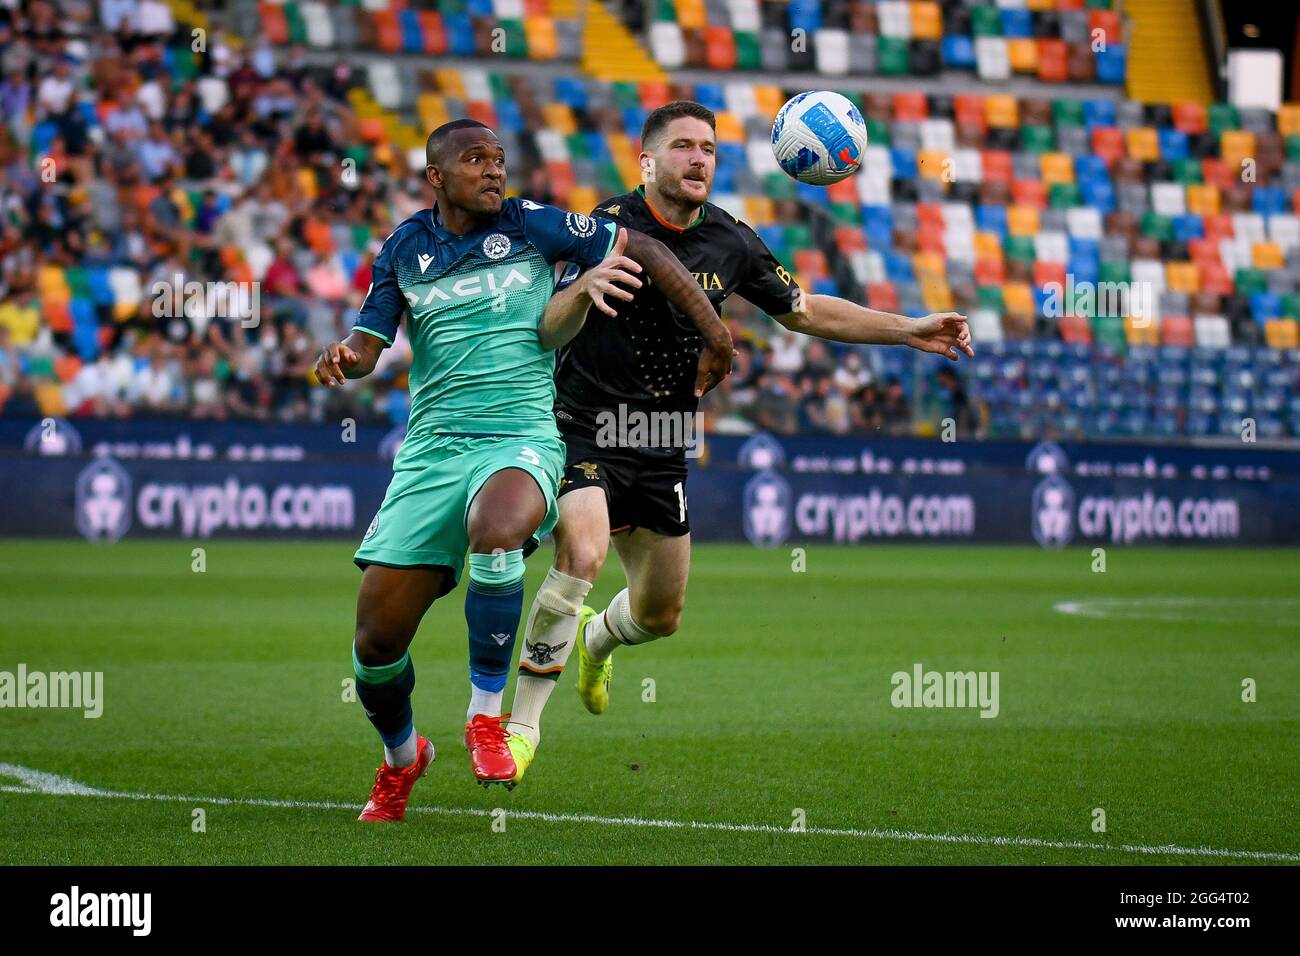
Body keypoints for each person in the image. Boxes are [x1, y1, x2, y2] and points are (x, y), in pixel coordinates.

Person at [499, 101, 974, 785]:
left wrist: (908, 328)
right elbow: (543, 325)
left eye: (710, 150)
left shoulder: (732, 241)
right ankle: (521, 729)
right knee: (583, 550)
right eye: (684, 146)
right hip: (584, 425)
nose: (698, 159)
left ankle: (596, 638)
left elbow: (805, 310)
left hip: (663, 442)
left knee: (662, 616)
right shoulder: (600, 227)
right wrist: (582, 293)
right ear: (648, 161)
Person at [312, 118, 732, 819]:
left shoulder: (536, 224)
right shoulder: (404, 247)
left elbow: (651, 249)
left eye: (500, 159)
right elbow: (368, 340)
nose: (494, 171)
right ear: (436, 177)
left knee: (500, 530)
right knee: (375, 648)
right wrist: (344, 359)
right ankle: (402, 758)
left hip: (521, 436)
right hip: (432, 451)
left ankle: (486, 717)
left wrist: (715, 335)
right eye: (475, 160)